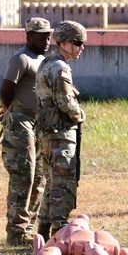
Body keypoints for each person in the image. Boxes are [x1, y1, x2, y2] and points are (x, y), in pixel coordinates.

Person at [0, 17, 52, 246]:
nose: (47, 40)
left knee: (40, 175)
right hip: (21, 121)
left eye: (49, 35)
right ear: (29, 36)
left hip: (39, 123)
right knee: (24, 174)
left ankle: (28, 226)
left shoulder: (45, 59)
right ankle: (16, 231)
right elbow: (6, 90)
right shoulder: (21, 59)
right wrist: (12, 110)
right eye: (42, 36)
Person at [34, 20, 86, 239]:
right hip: (60, 134)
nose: (80, 47)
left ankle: (43, 234)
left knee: (51, 184)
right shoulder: (59, 67)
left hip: (48, 133)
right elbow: (65, 101)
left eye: (82, 43)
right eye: (76, 42)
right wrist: (80, 114)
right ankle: (58, 234)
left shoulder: (47, 63)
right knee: (62, 186)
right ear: (63, 43)